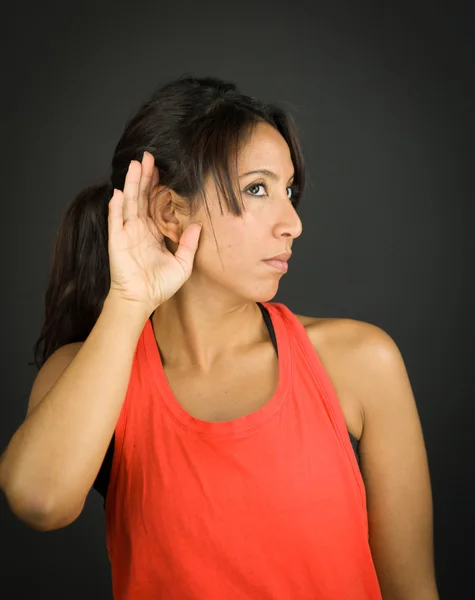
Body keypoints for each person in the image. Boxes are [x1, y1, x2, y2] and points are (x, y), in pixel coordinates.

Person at [0, 75, 438, 599]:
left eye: (289, 191)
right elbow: (40, 502)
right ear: (169, 211)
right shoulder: (86, 374)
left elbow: (413, 591)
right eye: (257, 189)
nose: (293, 222)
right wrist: (129, 300)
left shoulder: (362, 362)